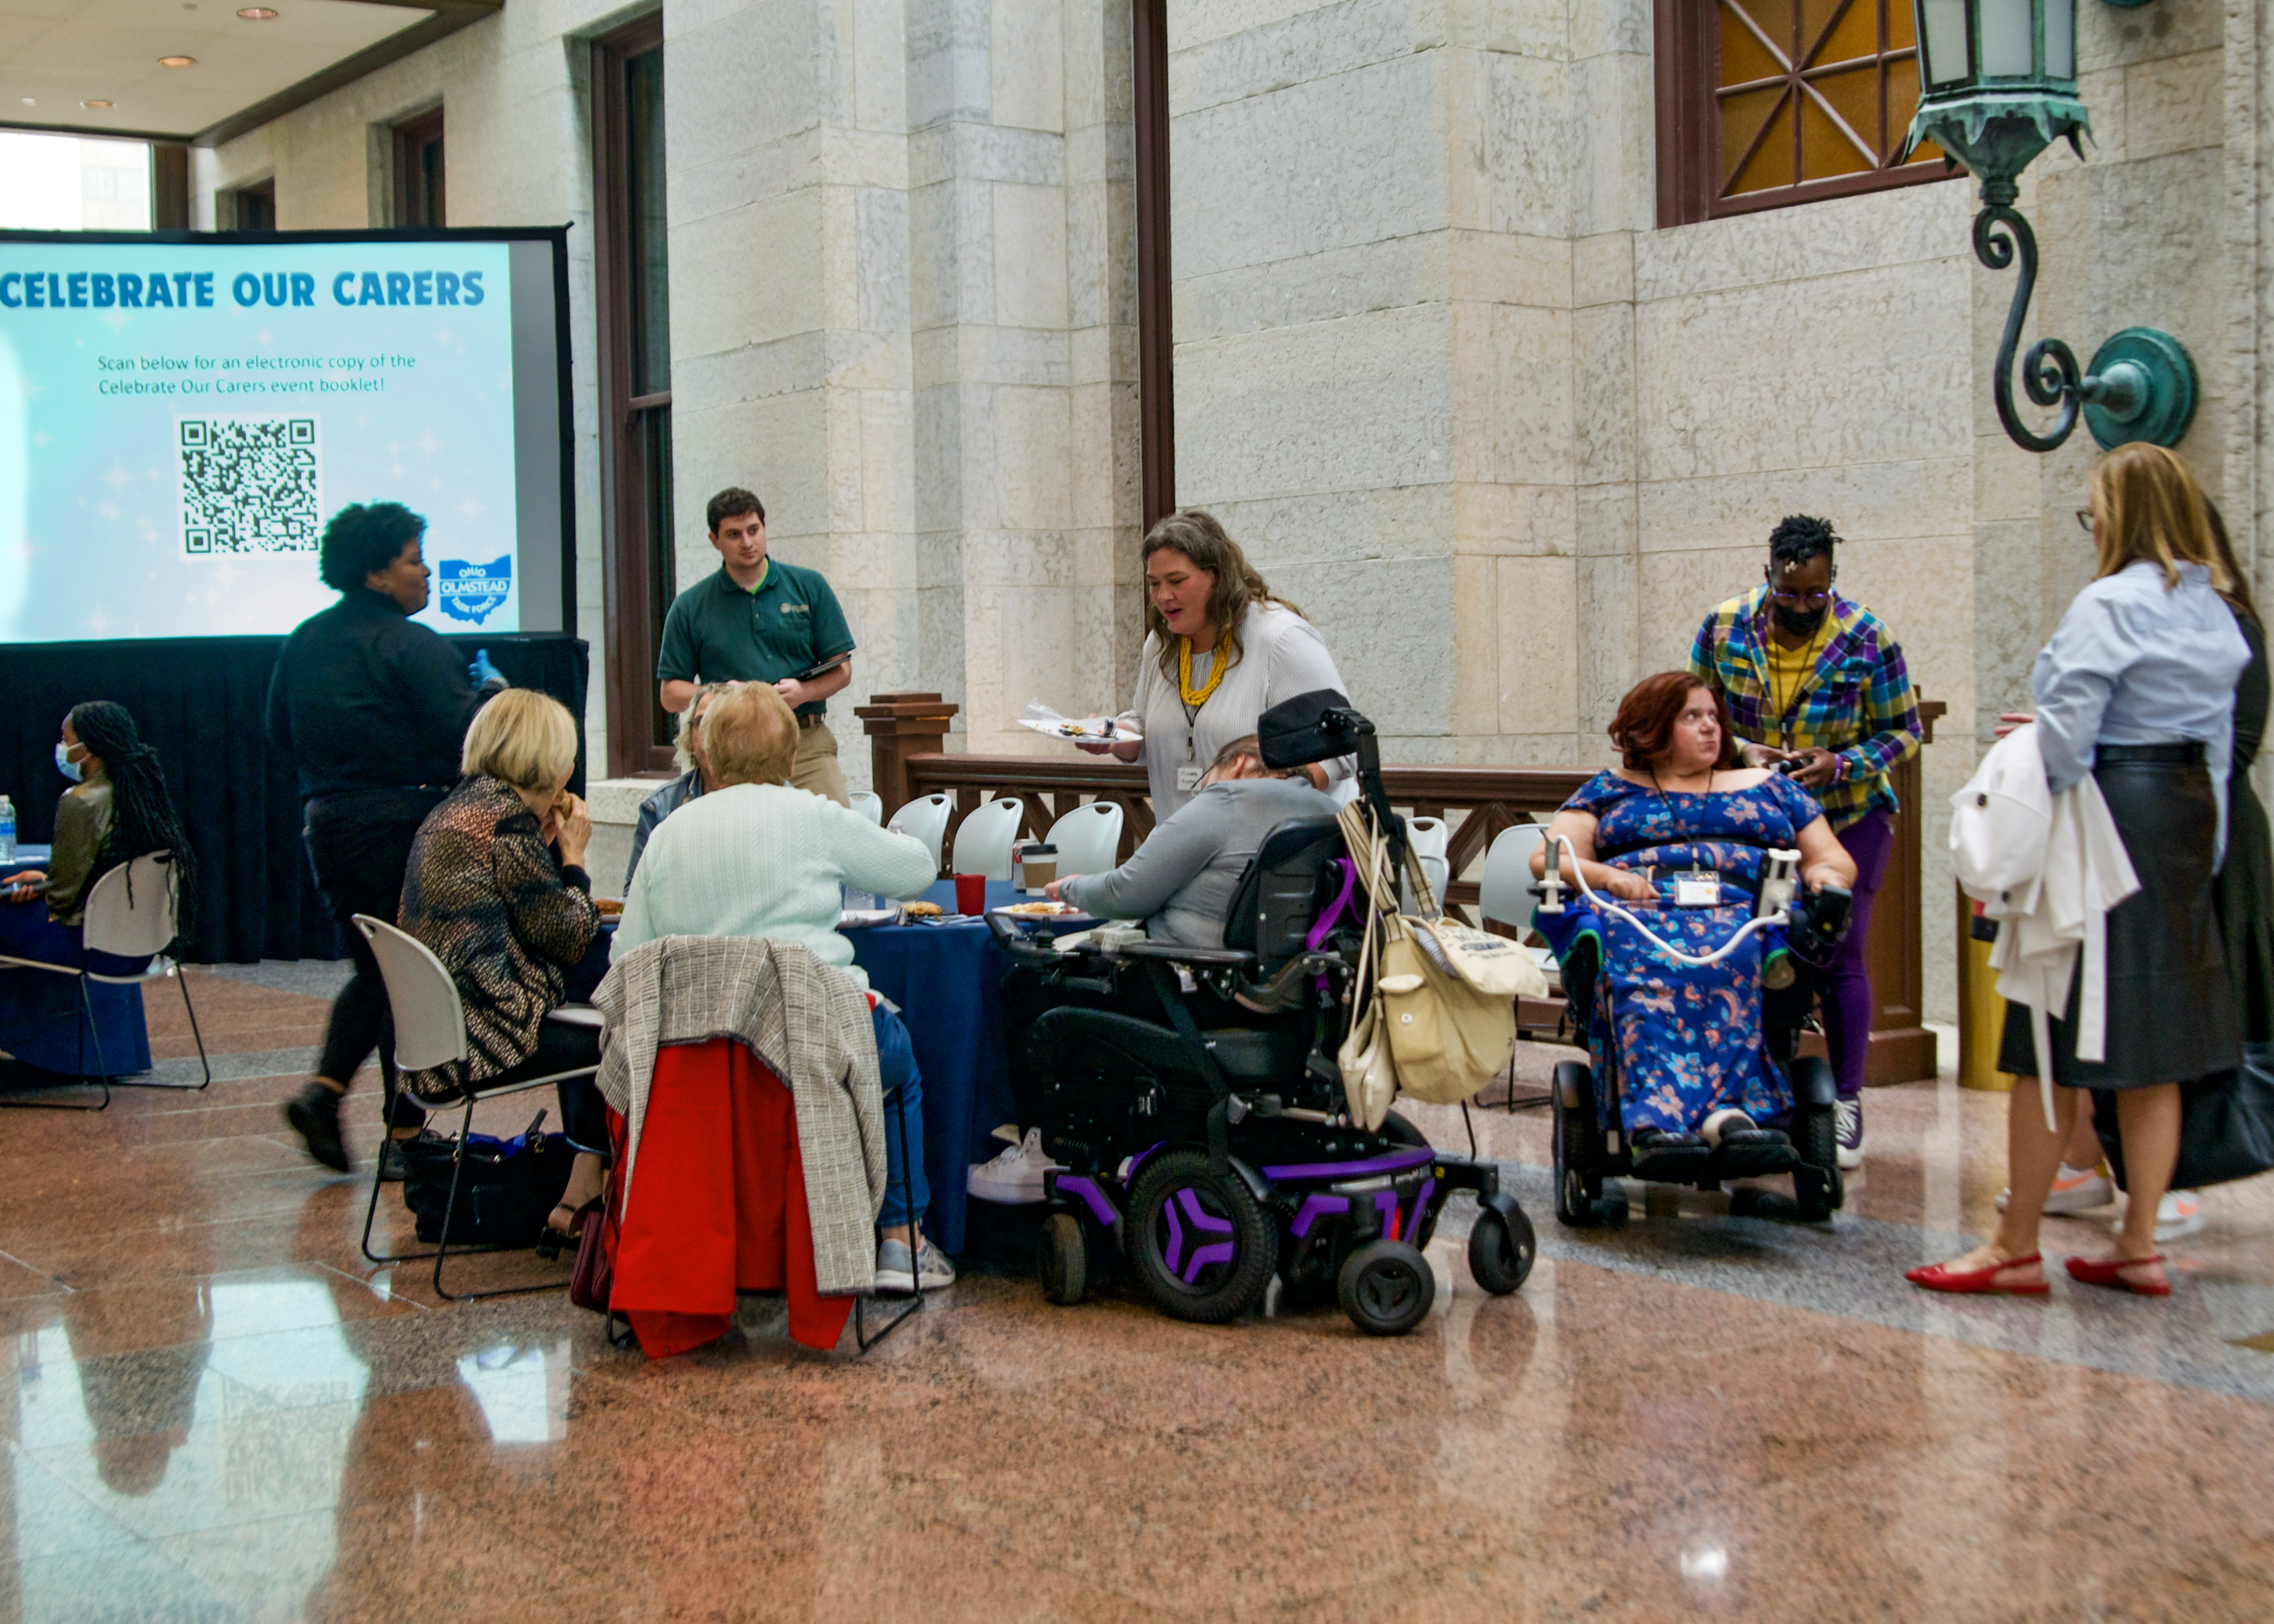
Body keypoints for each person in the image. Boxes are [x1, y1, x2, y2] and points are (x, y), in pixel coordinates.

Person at [1910, 443, 2248, 1299]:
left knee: (2047, 1039)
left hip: (2105, 816)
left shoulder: (2107, 602)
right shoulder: (2218, 608)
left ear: (2121, 511)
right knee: (2158, 1048)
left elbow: (2067, 740)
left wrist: (2018, 827)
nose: (2089, 520)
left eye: (2092, 505)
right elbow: (2215, 749)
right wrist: (2198, 855)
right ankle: (2139, 1239)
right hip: (2182, 819)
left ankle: (2014, 1243)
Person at [611, 682, 951, 1292]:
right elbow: (917, 870)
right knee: (896, 1065)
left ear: (707, 757)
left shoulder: (667, 836)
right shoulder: (813, 817)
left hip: (698, 1058)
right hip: (811, 1043)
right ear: (792, 760)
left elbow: (626, 958)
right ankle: (903, 1244)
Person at [967, 734, 1338, 1204]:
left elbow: (1128, 892)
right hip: (1289, 997)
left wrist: (1073, 887)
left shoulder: (1227, 800)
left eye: (1208, 777)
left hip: (1196, 992)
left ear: (1240, 763)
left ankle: (1044, 1148)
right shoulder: (1325, 812)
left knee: (1029, 984)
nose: (1205, 790)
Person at [266, 501, 506, 1175]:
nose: (427, 572)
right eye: (413, 558)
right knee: (415, 979)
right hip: (405, 829)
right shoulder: (413, 645)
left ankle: (325, 1094)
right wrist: (491, 697)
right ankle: (403, 1136)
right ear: (376, 572)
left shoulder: (303, 641)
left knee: (376, 970)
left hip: (330, 826)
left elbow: (277, 733)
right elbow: (464, 740)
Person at [1530, 672, 1856, 1148]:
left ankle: (1731, 1112)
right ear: (1652, 728)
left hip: (1746, 912)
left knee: (1739, 956)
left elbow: (1830, 857)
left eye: (1713, 717)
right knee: (1641, 960)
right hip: (1640, 912)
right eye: (1692, 717)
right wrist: (1609, 877)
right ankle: (1659, 1119)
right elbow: (1548, 859)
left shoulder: (1768, 786)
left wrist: (1825, 878)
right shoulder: (1610, 789)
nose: (1711, 728)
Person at [1689, 514, 1922, 1170]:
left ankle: (1844, 1100)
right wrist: (1739, 749)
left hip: (1847, 819)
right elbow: (1690, 711)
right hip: (1757, 823)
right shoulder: (1723, 627)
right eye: (1786, 595)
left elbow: (1903, 733)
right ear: (1767, 577)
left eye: (1813, 597)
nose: (1798, 608)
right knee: (1752, 945)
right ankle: (1751, 1085)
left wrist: (1840, 764)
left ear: (1831, 584)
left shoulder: (1867, 638)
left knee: (1839, 951)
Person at [398, 690, 609, 1241]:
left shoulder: (460, 809)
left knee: (586, 1014)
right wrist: (574, 858)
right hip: (486, 1040)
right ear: (552, 763)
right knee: (622, 1035)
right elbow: (568, 936)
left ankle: (585, 1185)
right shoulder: (504, 824)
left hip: (438, 1039)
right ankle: (590, 1194)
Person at [1081, 510, 1352, 820]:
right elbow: (1145, 727)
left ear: (1217, 576)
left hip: (1269, 852)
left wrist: (1270, 789)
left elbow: (1341, 750)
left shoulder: (1281, 637)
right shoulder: (1161, 643)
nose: (1163, 596)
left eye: (1177, 581)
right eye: (1154, 583)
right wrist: (1112, 734)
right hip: (1184, 849)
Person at [654, 488, 854, 806]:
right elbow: (670, 694)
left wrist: (804, 692)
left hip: (804, 741)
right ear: (714, 541)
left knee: (839, 835)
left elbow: (842, 670)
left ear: (765, 527)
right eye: (734, 535)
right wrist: (720, 695)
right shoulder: (690, 606)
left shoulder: (810, 586)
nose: (747, 543)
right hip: (728, 749)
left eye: (753, 530)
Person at [3, 701, 194, 931]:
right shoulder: (142, 796)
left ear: (89, 747)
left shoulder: (79, 800)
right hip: (141, 943)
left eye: (66, 741)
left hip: (87, 944)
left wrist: (44, 886)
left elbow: (61, 900)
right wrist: (46, 881)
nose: (61, 748)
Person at [623, 681, 734, 890]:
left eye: (723, 723)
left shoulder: (776, 797)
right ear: (689, 736)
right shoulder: (660, 807)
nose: (711, 735)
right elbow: (634, 895)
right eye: (702, 723)